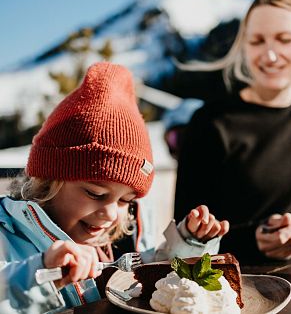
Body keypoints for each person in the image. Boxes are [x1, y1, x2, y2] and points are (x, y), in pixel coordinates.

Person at [0, 62, 229, 313]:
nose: (111, 214)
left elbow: (151, 267)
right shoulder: (8, 235)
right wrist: (43, 273)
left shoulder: (126, 234)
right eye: (95, 193)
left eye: (125, 201)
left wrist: (189, 244)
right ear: (48, 182)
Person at [174, 0, 291, 264]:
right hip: (213, 282)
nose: (270, 54)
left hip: (288, 280)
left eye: (284, 39)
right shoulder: (210, 122)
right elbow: (183, 238)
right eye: (257, 41)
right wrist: (253, 239)